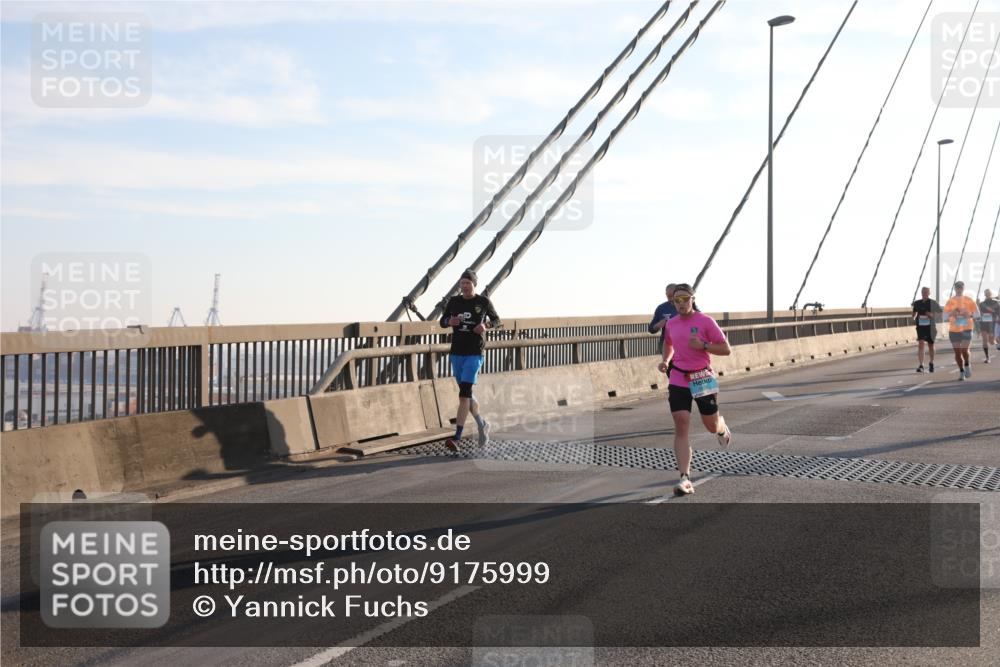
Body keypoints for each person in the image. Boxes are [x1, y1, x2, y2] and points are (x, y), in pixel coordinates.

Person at [657, 283, 732, 496]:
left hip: (702, 377)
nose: (680, 304)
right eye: (676, 301)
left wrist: (704, 346)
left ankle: (721, 428)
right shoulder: (671, 323)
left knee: (711, 426)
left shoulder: (706, 321)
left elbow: (726, 349)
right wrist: (666, 360)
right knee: (681, 423)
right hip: (678, 376)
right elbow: (668, 343)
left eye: (684, 299)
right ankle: (685, 478)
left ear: (692, 299)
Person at [439, 269, 501, 451]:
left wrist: (485, 325)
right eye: (462, 283)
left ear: (474, 284)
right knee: (467, 395)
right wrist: (449, 321)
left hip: (475, 353)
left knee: (463, 394)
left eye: (468, 283)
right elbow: (442, 321)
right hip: (457, 352)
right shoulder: (454, 301)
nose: (465, 286)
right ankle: (482, 425)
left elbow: (497, 320)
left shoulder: (483, 302)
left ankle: (457, 437)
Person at [943, 281, 979, 380]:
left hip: (967, 328)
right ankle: (961, 371)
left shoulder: (969, 300)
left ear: (963, 288)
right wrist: (952, 313)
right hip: (954, 330)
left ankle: (967, 364)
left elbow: (977, 315)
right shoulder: (950, 301)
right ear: (955, 289)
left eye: (961, 287)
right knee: (957, 353)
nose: (959, 289)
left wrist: (968, 315)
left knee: (964, 350)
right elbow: (944, 317)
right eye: (957, 287)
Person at [911, 287, 941, 373]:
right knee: (921, 344)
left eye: (926, 292)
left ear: (929, 293)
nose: (925, 293)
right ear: (921, 293)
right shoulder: (917, 303)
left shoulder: (933, 303)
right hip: (920, 326)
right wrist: (913, 317)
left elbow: (940, 313)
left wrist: (931, 315)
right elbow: (914, 314)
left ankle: (931, 362)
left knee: (930, 345)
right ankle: (921, 365)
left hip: (930, 327)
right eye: (923, 292)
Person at [977, 289, 999, 363]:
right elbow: (978, 313)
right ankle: (987, 357)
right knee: (984, 340)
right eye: (986, 293)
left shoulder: (995, 303)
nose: (987, 294)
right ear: (984, 294)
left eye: (989, 293)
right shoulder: (982, 304)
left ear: (991, 294)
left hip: (992, 323)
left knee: (992, 341)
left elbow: (998, 313)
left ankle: (997, 343)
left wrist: (996, 316)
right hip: (984, 323)